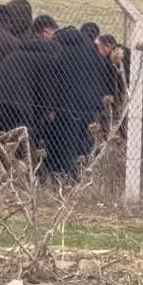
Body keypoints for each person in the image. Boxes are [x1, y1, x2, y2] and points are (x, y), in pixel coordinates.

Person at [48, 26, 113, 175]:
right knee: (84, 145)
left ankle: (66, 177)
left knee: (66, 144)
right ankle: (82, 176)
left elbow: (55, 79)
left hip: (67, 104)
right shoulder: (93, 53)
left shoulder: (61, 51)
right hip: (91, 106)